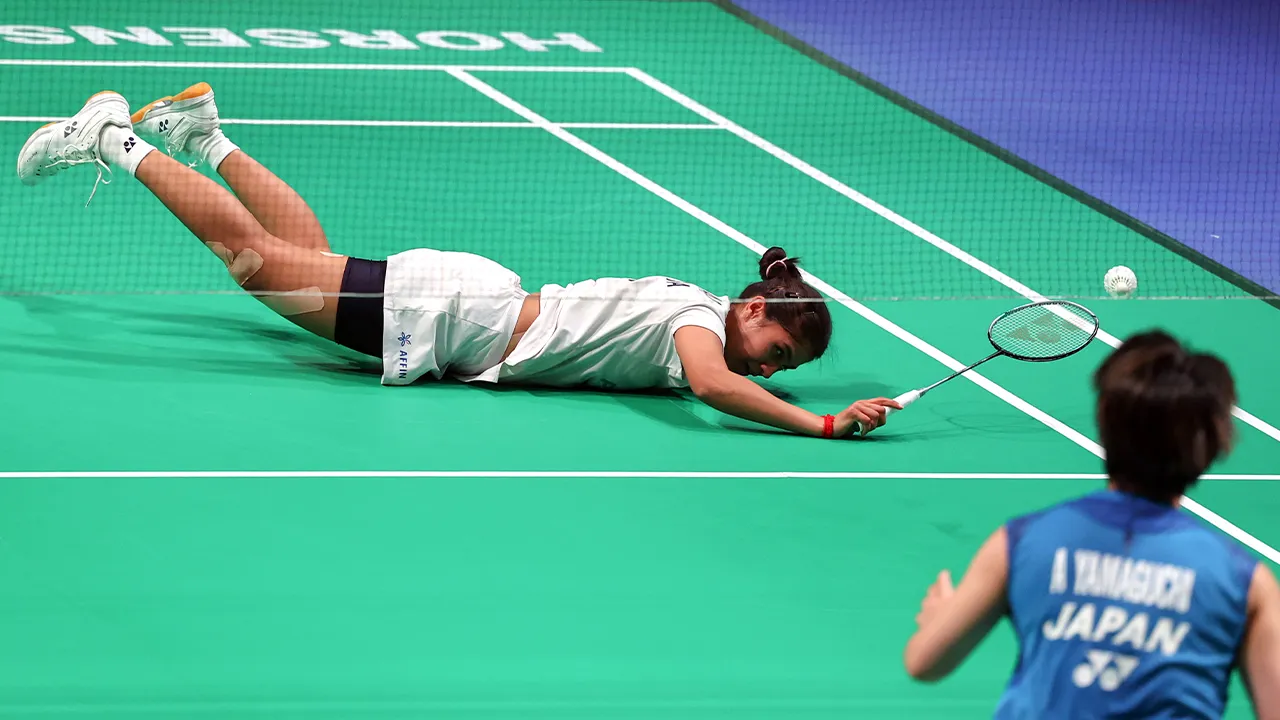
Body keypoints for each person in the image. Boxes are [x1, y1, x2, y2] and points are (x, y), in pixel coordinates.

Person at [16, 83, 901, 439]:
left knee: (299, 258)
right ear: (755, 312)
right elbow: (711, 386)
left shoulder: (699, 304)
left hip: (471, 300)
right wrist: (817, 426)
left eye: (782, 372)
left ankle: (204, 138)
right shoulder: (700, 327)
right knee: (261, 267)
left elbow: (716, 374)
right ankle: (115, 136)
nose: (770, 372)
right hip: (449, 319)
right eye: (778, 355)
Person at [902, 330, 1280, 718]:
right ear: (1215, 445)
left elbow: (924, 662)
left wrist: (940, 620)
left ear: (1104, 425)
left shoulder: (1021, 543)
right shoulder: (1246, 583)